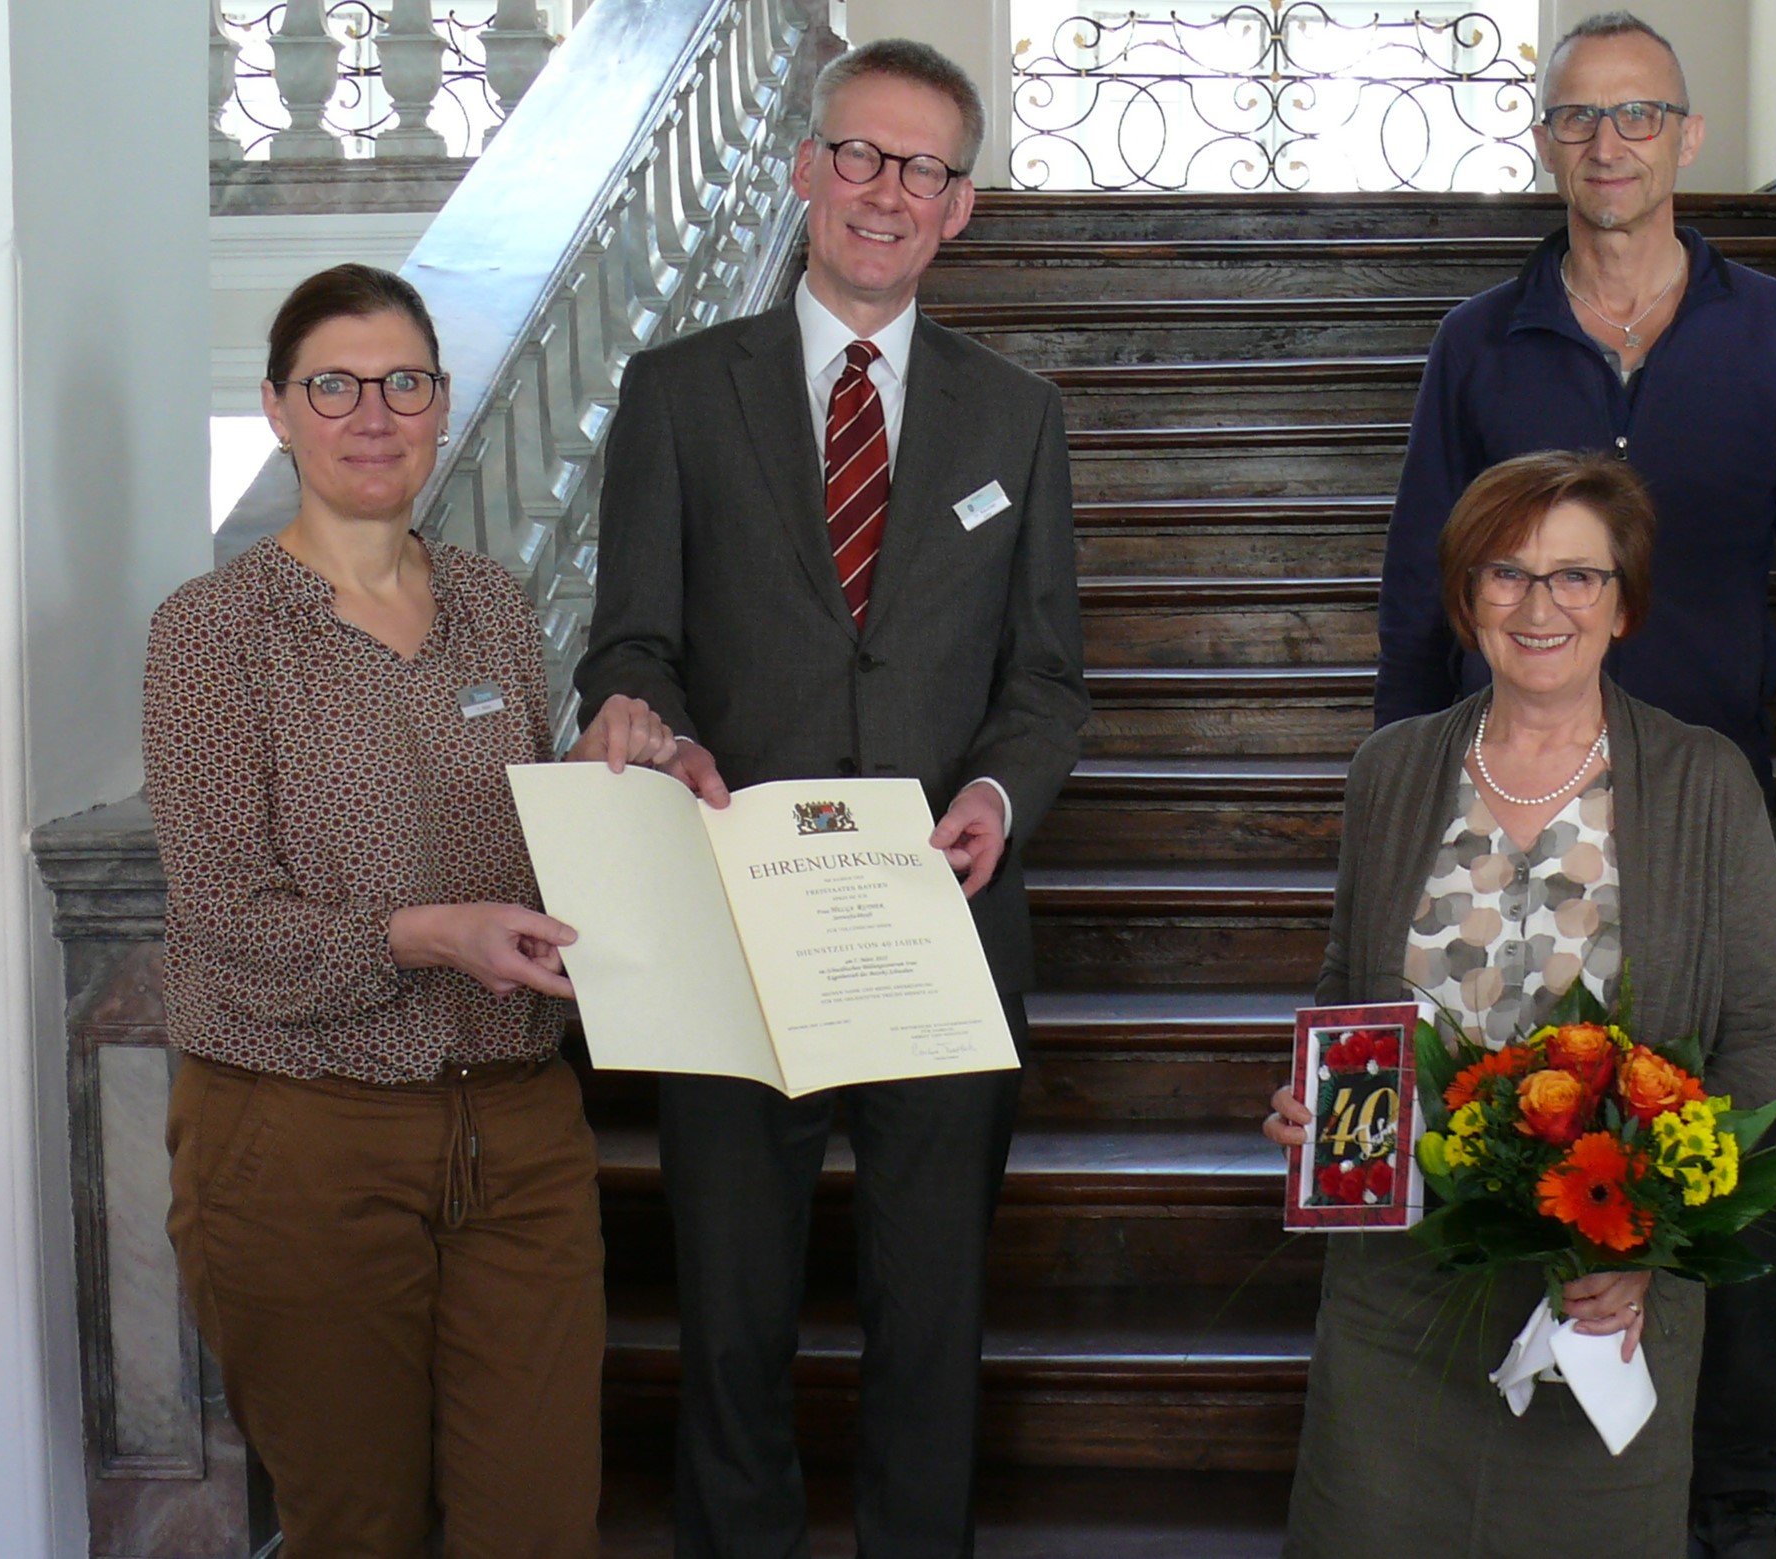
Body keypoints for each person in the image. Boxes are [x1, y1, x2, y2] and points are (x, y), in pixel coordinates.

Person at [1371, 13, 1776, 1550]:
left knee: (1698, 1150)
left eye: (1639, 115)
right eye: (1580, 120)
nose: (1609, 145)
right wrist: (1400, 801)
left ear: (1686, 137)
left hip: (1702, 815)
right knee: (1509, 1144)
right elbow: (1417, 583)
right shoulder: (1479, 339)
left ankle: (1716, 1503)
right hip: (1515, 814)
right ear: (1545, 142)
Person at [571, 37, 1088, 1559]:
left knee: (930, 1324)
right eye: (858, 154)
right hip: (736, 931)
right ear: (804, 167)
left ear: (961, 208)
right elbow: (630, 643)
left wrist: (998, 791)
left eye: (921, 167)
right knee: (731, 1324)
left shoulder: (1019, 418)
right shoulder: (676, 393)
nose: (884, 191)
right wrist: (639, 721)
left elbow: (1048, 679)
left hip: (940, 926)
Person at [143, 262, 684, 1555]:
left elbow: (521, 852)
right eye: (333, 383)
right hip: (300, 1136)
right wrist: (424, 933)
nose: (371, 412)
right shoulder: (213, 632)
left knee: (540, 1521)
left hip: (517, 1133)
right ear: (278, 407)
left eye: (404, 382)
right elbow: (226, 916)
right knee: (357, 1528)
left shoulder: (497, 606)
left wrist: (637, 787)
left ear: (441, 404)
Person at [1263, 451, 1776, 1558]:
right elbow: (1345, 987)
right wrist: (1313, 1104)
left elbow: (1761, 1030)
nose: (1540, 605)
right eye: (1507, 574)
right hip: (1398, 1286)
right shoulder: (1392, 769)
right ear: (1467, 598)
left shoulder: (1704, 782)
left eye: (1577, 577)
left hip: (1604, 1289)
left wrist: (1650, 1234)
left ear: (1623, 600)